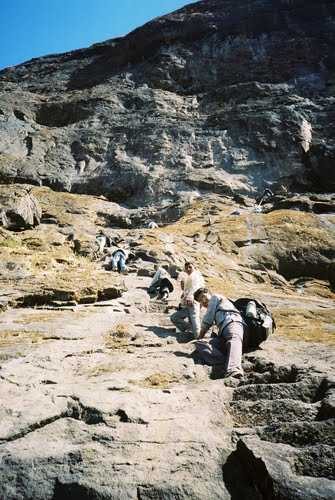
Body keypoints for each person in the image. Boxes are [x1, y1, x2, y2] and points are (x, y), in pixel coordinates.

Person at [193, 288, 245, 378]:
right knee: (200, 343)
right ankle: (227, 359)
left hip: (233, 323)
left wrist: (199, 336)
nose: (203, 301)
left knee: (233, 339)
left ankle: (234, 369)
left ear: (208, 293)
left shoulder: (215, 297)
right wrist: (199, 339)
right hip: (223, 333)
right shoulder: (216, 310)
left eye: (203, 297)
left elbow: (207, 321)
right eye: (200, 301)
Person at [170, 262, 204, 338]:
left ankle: (198, 338)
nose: (188, 269)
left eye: (190, 267)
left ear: (194, 267)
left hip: (193, 302)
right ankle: (191, 331)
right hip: (187, 304)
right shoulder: (189, 276)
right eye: (186, 268)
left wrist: (191, 296)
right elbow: (187, 288)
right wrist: (184, 294)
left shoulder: (196, 276)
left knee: (195, 320)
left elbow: (196, 287)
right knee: (174, 317)